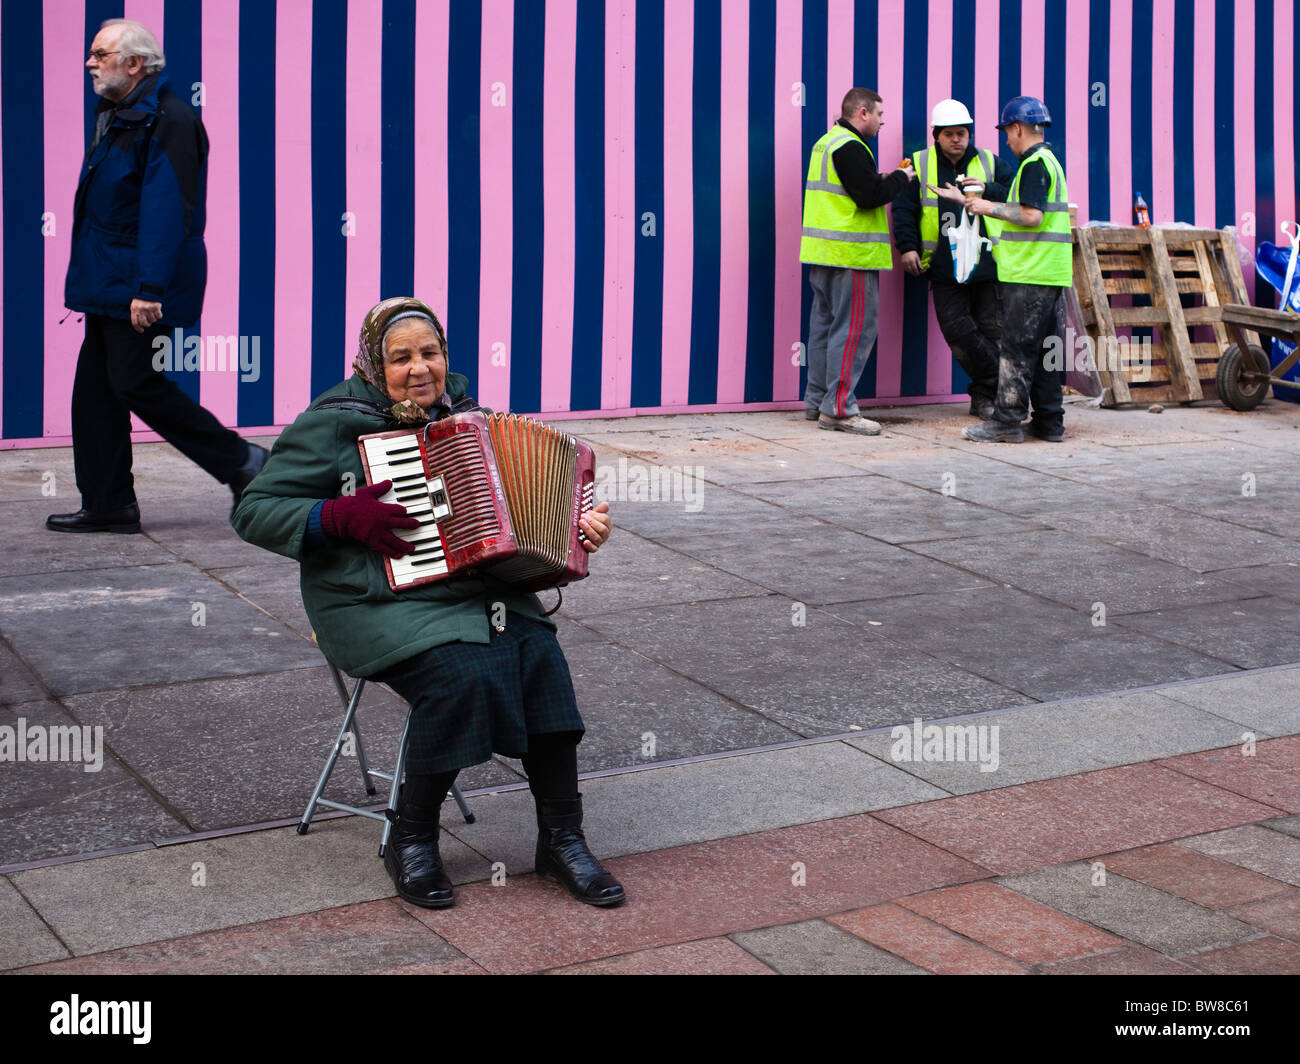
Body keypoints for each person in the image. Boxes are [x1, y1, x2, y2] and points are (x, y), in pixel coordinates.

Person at [232, 297, 623, 910]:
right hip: (370, 600)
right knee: (459, 672)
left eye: (431, 353)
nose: (420, 368)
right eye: (401, 357)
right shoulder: (336, 422)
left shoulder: (470, 419)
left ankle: (562, 839)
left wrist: (581, 528)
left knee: (540, 657)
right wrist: (335, 515)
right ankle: (410, 840)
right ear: (372, 363)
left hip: (474, 591)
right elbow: (252, 511)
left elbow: (531, 512)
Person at [47, 18, 266, 535]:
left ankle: (243, 461)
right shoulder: (121, 115)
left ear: (135, 63)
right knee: (94, 395)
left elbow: (166, 211)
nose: (90, 62)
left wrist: (149, 289)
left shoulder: (167, 119)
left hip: (136, 288)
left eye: (100, 53)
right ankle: (108, 502)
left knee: (135, 381)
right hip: (109, 283)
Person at [935, 96, 1072, 443]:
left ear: (1018, 128)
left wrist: (986, 207)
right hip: (1046, 272)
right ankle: (1049, 422)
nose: (1007, 140)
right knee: (1042, 352)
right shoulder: (1048, 162)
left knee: (1016, 351)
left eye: (1007, 132)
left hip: (1029, 274)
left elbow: (1030, 215)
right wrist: (981, 196)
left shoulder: (1034, 164)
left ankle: (1006, 421)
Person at [800, 88, 914, 436]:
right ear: (862, 112)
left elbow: (853, 189)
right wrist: (900, 178)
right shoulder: (851, 147)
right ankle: (838, 410)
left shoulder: (827, 142)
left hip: (824, 255)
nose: (883, 121)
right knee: (854, 332)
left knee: (824, 329)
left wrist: (881, 178)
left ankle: (818, 401)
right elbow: (868, 197)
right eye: (880, 114)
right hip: (851, 257)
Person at [893, 99, 1016, 419]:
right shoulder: (919, 164)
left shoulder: (991, 163)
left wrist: (986, 189)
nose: (957, 139)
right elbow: (904, 209)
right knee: (958, 331)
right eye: (949, 134)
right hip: (944, 266)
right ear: (936, 135)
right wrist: (907, 247)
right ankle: (1003, 381)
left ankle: (985, 398)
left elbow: (1017, 196)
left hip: (988, 265)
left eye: (962, 133)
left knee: (992, 330)